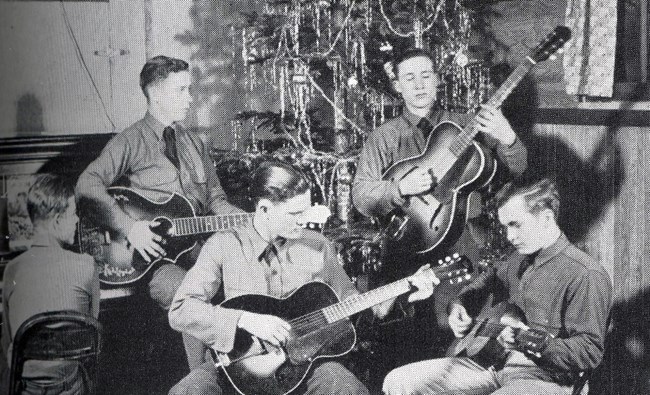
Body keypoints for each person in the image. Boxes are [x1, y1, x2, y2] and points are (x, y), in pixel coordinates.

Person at [167, 161, 438, 395]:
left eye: (306, 210)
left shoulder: (318, 245)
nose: (304, 220)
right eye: (295, 214)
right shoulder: (224, 245)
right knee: (188, 391)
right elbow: (181, 310)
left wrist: (402, 293)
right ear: (263, 209)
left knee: (344, 387)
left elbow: (354, 307)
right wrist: (245, 319)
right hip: (238, 367)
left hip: (306, 366)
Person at [76, 55, 241, 369]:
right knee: (189, 295)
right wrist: (130, 226)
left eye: (189, 89)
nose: (191, 99)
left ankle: (245, 372)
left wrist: (251, 220)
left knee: (242, 278)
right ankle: (204, 381)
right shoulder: (129, 142)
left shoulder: (195, 144)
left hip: (195, 251)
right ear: (155, 94)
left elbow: (216, 200)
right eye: (181, 91)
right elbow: (86, 185)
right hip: (151, 263)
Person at [382, 177, 612, 394]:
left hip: (546, 378)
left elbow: (588, 351)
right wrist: (457, 305)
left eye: (515, 225)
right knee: (398, 382)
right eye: (505, 227)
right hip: (495, 364)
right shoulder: (518, 257)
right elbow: (482, 283)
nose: (510, 236)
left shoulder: (585, 274)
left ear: (547, 218)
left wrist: (530, 340)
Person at [352, 47, 528, 270]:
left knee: (459, 304)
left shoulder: (467, 125)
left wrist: (507, 136)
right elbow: (361, 197)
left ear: (437, 80)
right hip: (401, 246)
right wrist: (400, 188)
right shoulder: (383, 137)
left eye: (426, 76)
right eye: (409, 78)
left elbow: (517, 169)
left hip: (459, 243)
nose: (419, 85)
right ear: (397, 86)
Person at [1, 174, 99, 394]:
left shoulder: (12, 270)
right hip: (71, 388)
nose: (77, 221)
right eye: (73, 214)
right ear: (57, 220)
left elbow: (9, 344)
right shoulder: (87, 265)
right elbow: (90, 334)